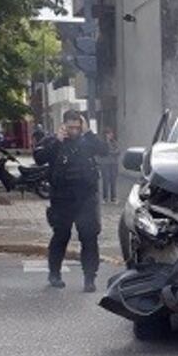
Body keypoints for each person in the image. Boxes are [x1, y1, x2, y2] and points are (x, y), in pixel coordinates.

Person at [33, 110, 109, 292]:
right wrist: (57, 141)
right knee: (61, 236)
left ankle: (89, 278)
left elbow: (105, 150)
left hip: (86, 197)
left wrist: (89, 132)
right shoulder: (54, 141)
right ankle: (54, 274)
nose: (74, 131)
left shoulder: (88, 141)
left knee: (89, 237)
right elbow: (39, 158)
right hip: (62, 197)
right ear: (64, 125)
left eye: (77, 127)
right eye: (71, 127)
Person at [99, 127, 121, 204]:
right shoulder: (102, 143)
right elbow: (101, 152)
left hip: (114, 164)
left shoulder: (114, 142)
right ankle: (105, 198)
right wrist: (110, 151)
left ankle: (113, 198)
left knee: (113, 181)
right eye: (109, 133)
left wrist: (109, 151)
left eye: (111, 133)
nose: (111, 135)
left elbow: (118, 151)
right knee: (105, 181)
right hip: (105, 164)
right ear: (105, 134)